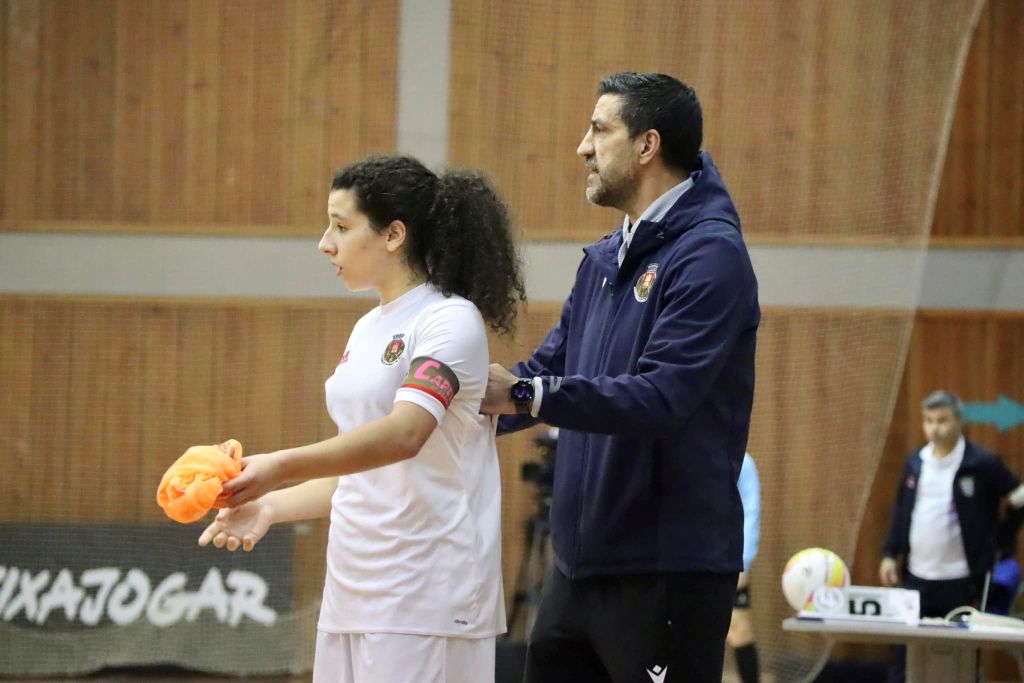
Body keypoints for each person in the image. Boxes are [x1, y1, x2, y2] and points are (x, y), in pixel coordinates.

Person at [197, 154, 526, 683]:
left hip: (427, 596)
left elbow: (403, 435)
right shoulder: (367, 328)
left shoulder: (449, 320)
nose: (325, 243)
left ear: (394, 234)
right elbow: (365, 469)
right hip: (353, 590)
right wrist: (270, 506)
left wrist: (279, 465)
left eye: (341, 226)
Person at [481, 72, 760, 683]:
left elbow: (663, 398)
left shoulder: (711, 257)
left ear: (646, 146)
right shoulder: (605, 258)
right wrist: (451, 408)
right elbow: (547, 372)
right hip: (577, 569)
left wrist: (526, 394)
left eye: (599, 130)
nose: (582, 146)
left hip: (667, 573)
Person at [880, 389, 1024, 681]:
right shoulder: (915, 463)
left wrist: (1000, 539)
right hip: (917, 577)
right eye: (929, 420)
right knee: (905, 655)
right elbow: (901, 512)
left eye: (942, 420)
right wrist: (888, 555)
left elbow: (1019, 497)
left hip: (961, 580)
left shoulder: (981, 463)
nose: (935, 427)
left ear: (959, 421)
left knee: (960, 659)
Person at [727, 453, 761, 683]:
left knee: (739, 629)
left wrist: (743, 562)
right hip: (686, 563)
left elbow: (751, 512)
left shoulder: (742, 461)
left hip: (728, 562)